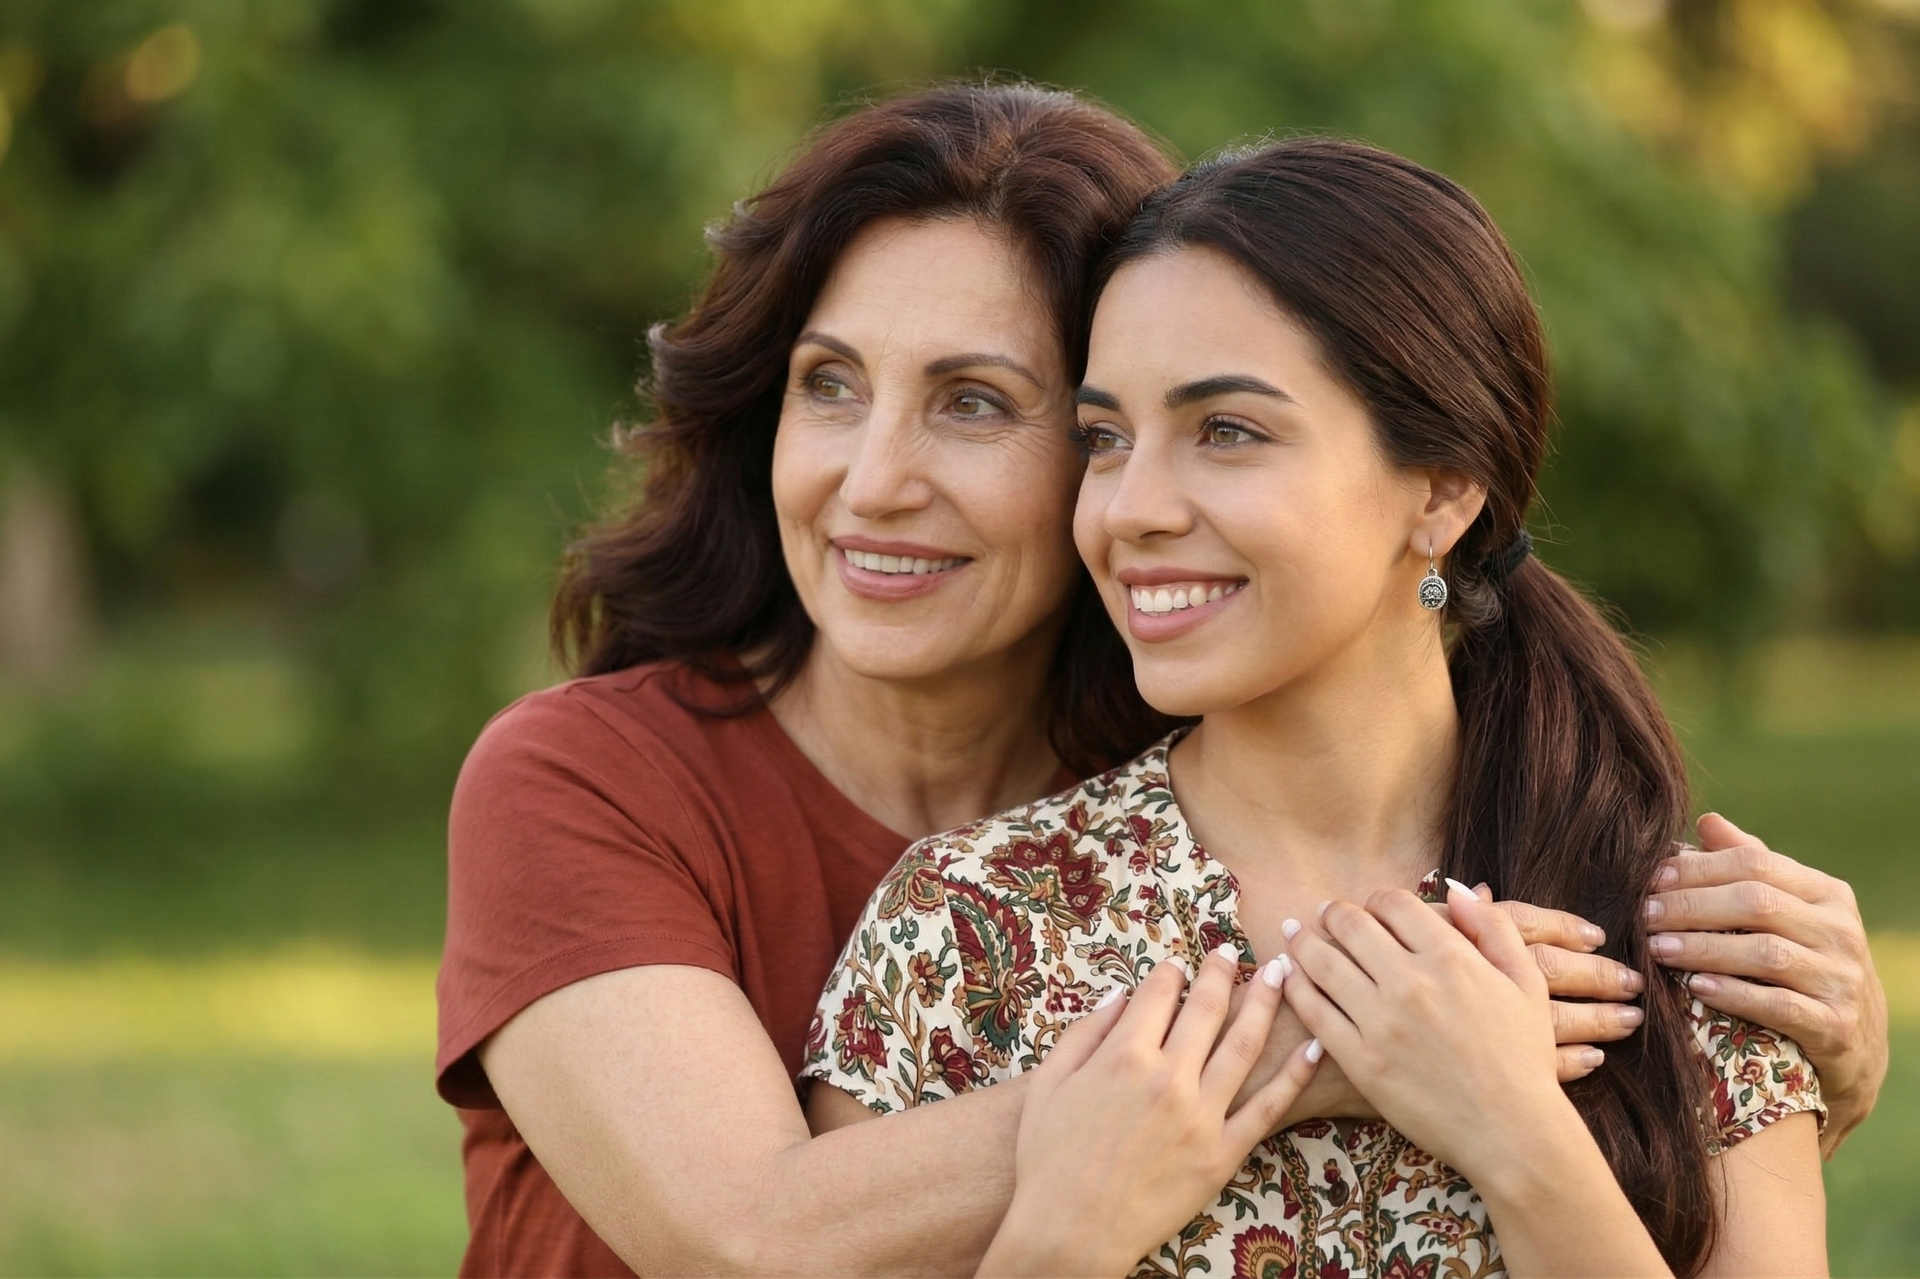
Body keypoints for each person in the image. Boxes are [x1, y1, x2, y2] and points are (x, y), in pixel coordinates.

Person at [436, 84, 1885, 1276]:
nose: (873, 480)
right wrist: (1321, 1031)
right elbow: (739, 1231)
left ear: (1438, 489)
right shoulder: (935, 902)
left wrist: (1804, 1058)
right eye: (827, 383)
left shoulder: (1276, 751)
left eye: (977, 402)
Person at [804, 139, 1829, 1276]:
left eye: (1227, 430)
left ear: (1441, 488)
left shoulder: (1675, 944)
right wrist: (1064, 1238)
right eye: (1106, 439)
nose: (1130, 507)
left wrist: (1517, 1137)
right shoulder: (972, 930)